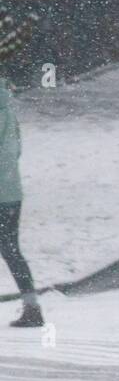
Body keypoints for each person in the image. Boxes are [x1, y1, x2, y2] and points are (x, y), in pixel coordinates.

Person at [0, 81, 42, 327]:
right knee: (11, 250)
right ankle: (32, 306)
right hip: (12, 191)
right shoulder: (10, 113)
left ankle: (33, 308)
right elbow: (15, 151)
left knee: (10, 250)